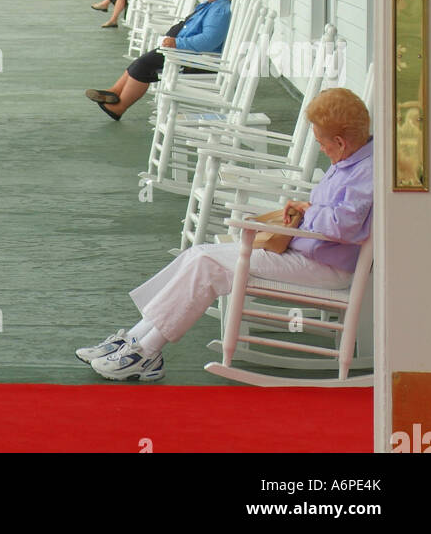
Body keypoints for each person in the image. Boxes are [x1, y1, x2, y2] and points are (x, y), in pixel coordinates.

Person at [75, 87, 373, 381]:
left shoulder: (366, 172)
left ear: (340, 142)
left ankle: (145, 352)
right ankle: (136, 340)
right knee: (198, 254)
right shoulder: (350, 159)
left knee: (208, 264)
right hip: (306, 252)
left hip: (327, 266)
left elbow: (342, 225)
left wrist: (308, 210)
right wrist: (306, 211)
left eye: (323, 143)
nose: (321, 148)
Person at [85, 0, 235, 120]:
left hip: (196, 59)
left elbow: (209, 41)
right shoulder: (210, 5)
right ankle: (115, 92)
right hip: (184, 51)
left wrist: (177, 42)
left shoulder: (220, 10)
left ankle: (118, 107)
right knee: (143, 61)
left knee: (144, 65)